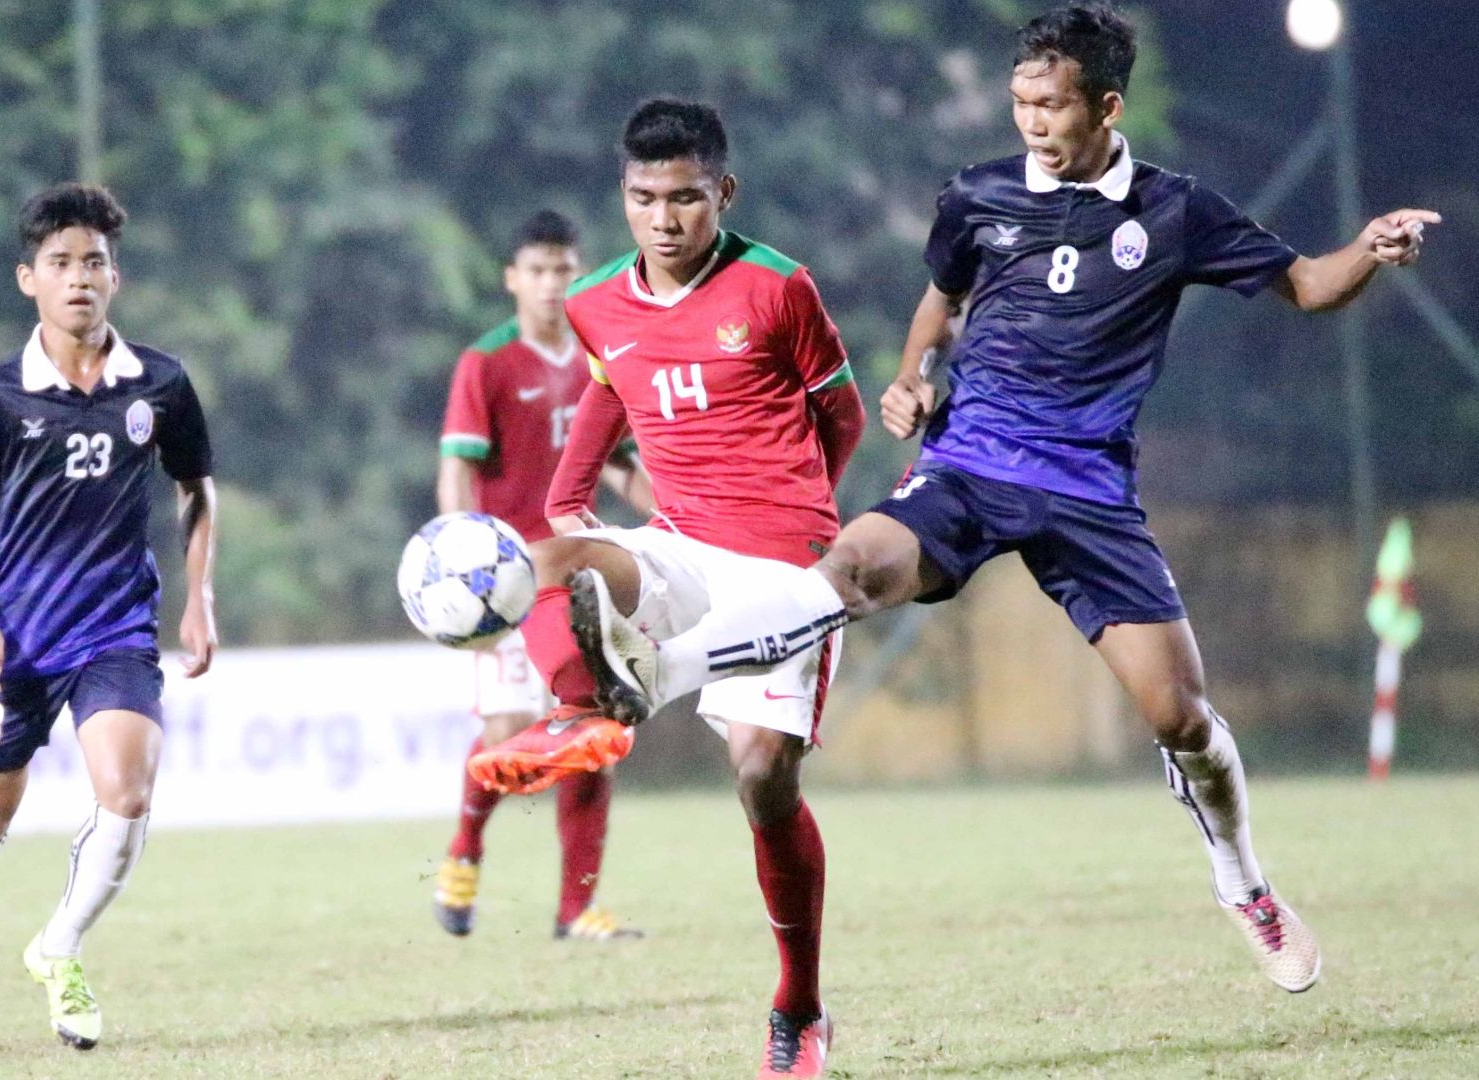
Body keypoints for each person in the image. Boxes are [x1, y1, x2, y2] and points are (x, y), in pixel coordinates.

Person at [567, 2, 1439, 1001]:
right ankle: (662, 671)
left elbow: (1310, 284)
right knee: (851, 568)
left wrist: (1370, 249)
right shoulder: (976, 196)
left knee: (1183, 718)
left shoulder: (1176, 212)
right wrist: (913, 377)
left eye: (1052, 104)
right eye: (1020, 100)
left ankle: (1243, 883)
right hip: (970, 467)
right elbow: (939, 303)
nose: (1029, 121)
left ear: (1106, 107)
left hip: (1088, 495)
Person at [468, 99, 866, 1079]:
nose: (664, 218)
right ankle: (577, 711)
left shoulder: (779, 289)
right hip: (681, 545)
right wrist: (567, 494)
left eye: (686, 198)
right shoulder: (597, 301)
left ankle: (800, 1007)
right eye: (645, 198)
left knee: (762, 778)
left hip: (782, 568)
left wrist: (804, 523)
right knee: (549, 558)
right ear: (624, 197)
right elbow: (615, 382)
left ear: (721, 193)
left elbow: (843, 417)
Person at [0, 183, 219, 1060]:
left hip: (114, 628)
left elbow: (196, 488)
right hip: (18, 638)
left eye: (94, 262)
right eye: (61, 263)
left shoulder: (159, 381)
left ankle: (60, 946)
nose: (80, 278)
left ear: (115, 277)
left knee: (129, 792)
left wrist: (201, 595)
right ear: (26, 279)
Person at [431, 210, 655, 942]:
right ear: (512, 279)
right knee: (506, 730)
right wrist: (463, 561)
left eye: (564, 269)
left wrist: (679, 517)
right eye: (538, 270)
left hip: (581, 578)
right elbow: (459, 467)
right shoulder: (486, 362)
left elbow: (621, 465)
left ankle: (577, 906)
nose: (553, 284)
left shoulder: (600, 354)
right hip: (507, 578)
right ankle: (464, 850)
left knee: (594, 734)